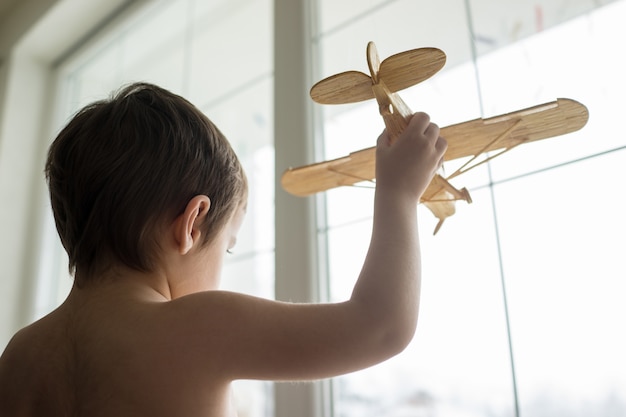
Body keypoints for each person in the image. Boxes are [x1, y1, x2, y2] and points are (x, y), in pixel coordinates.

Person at [0, 82, 446, 416]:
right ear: (191, 224)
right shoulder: (196, 327)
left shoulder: (21, 354)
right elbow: (380, 326)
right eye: (227, 248)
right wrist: (398, 195)